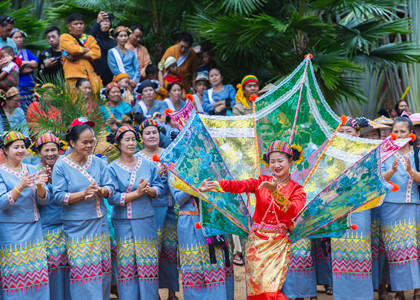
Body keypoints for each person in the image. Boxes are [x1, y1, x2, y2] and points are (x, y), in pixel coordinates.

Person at [199, 140, 306, 299]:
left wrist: (275, 192)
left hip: (277, 245)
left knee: (270, 290)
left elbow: (291, 211)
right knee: (256, 290)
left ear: (290, 161)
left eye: (280, 161)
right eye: (272, 161)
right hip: (255, 244)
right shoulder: (261, 181)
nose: (276, 165)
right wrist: (213, 185)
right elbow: (238, 185)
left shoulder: (297, 189)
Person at [52, 119, 114, 299]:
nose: (89, 145)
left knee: (102, 271)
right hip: (77, 226)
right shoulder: (61, 165)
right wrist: (83, 193)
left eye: (92, 141)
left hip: (100, 223)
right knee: (83, 272)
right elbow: (58, 196)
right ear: (72, 143)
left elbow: (110, 188)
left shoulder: (98, 162)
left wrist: (101, 191)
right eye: (85, 142)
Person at [107, 125, 163, 299]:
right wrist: (137, 193)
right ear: (118, 144)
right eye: (127, 140)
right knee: (127, 267)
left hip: (146, 220)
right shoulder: (112, 168)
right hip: (123, 223)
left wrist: (149, 190)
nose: (131, 143)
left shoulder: (148, 164)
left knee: (148, 267)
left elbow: (159, 187)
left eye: (133, 139)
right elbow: (112, 198)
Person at [0, 131, 50, 299]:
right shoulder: (1, 172)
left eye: (23, 146)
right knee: (15, 278)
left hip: (34, 230)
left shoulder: (33, 168)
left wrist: (41, 187)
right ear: (5, 150)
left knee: (37, 278)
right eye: (16, 147)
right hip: (11, 232)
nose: (21, 150)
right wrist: (20, 186)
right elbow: (2, 203)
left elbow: (44, 201)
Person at [330, 117, 374, 300]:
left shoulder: (366, 152)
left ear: (357, 133)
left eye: (349, 131)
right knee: (339, 250)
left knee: (361, 249)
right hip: (338, 207)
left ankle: (362, 295)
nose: (345, 134)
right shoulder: (332, 153)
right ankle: (341, 295)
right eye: (341, 131)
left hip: (360, 205)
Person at [135, 120, 179, 299]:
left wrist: (171, 174)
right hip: (149, 211)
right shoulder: (137, 158)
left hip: (170, 208)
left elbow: (179, 180)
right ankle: (153, 294)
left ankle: (172, 293)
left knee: (170, 251)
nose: (152, 135)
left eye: (155, 132)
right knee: (152, 253)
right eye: (148, 133)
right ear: (142, 138)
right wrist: (156, 175)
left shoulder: (170, 154)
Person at [382, 116, 420, 300]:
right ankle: (399, 291)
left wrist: (412, 171)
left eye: (402, 131)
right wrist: (392, 172)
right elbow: (378, 180)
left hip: (414, 206)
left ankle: (418, 290)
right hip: (390, 207)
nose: (399, 135)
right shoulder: (385, 154)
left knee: (416, 250)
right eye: (395, 131)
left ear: (411, 134)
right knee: (395, 251)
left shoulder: (418, 154)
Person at [171, 189, 234, 299]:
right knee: (194, 269)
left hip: (215, 221)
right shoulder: (175, 172)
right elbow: (179, 199)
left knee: (217, 267)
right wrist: (195, 185)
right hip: (189, 223)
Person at [30, 133, 71, 300]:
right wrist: (43, 184)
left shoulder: (65, 168)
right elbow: (39, 201)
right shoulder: (34, 172)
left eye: (53, 149)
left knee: (69, 268)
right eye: (46, 150)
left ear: (59, 151)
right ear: (39, 153)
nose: (50, 153)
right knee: (52, 268)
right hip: (47, 228)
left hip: (68, 226)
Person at [60, 13, 102, 93]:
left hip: (89, 78)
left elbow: (97, 54)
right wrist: (87, 50)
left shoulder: (90, 39)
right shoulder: (64, 37)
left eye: (81, 23)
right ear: (69, 26)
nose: (79, 26)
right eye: (76, 24)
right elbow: (73, 50)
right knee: (73, 104)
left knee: (90, 104)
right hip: (72, 78)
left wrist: (76, 56)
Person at [11, 28, 39, 111]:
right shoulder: (8, 53)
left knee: (31, 111)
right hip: (17, 88)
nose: (19, 39)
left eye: (20, 37)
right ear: (10, 39)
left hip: (30, 87)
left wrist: (25, 63)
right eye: (16, 38)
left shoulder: (26, 52)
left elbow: (36, 63)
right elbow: (15, 70)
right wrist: (29, 68)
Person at [90, 11, 116, 85]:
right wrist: (97, 23)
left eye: (107, 21)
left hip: (113, 79)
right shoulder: (95, 41)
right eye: (102, 21)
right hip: (98, 78)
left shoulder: (114, 42)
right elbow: (89, 39)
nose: (105, 23)